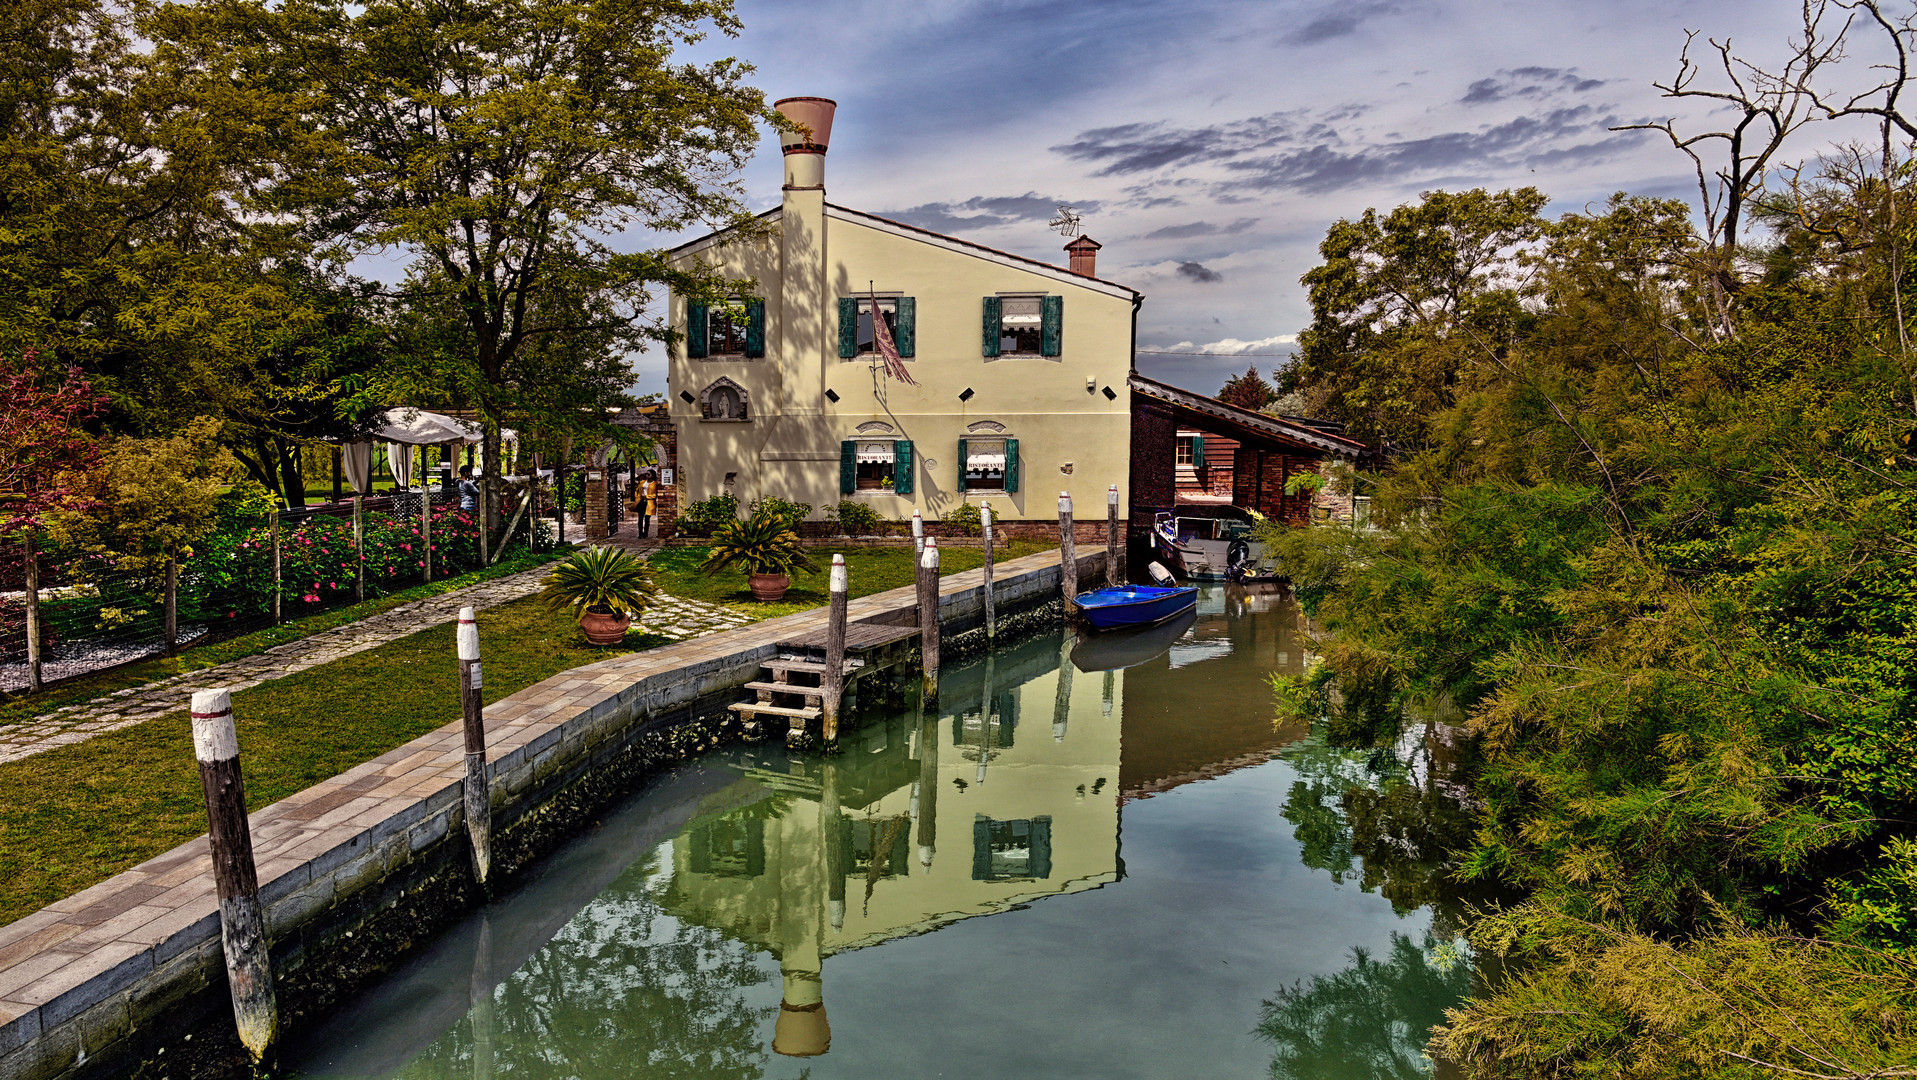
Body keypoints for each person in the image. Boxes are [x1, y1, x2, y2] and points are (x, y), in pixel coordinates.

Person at [635, 469, 658, 537]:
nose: (646, 475)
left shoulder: (655, 484)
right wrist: (638, 497)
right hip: (641, 501)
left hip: (649, 502)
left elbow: (655, 494)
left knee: (647, 518)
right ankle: (640, 533)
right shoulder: (642, 482)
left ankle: (645, 533)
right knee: (640, 518)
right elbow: (637, 490)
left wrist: (647, 496)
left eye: (648, 474)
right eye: (646, 474)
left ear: (653, 476)